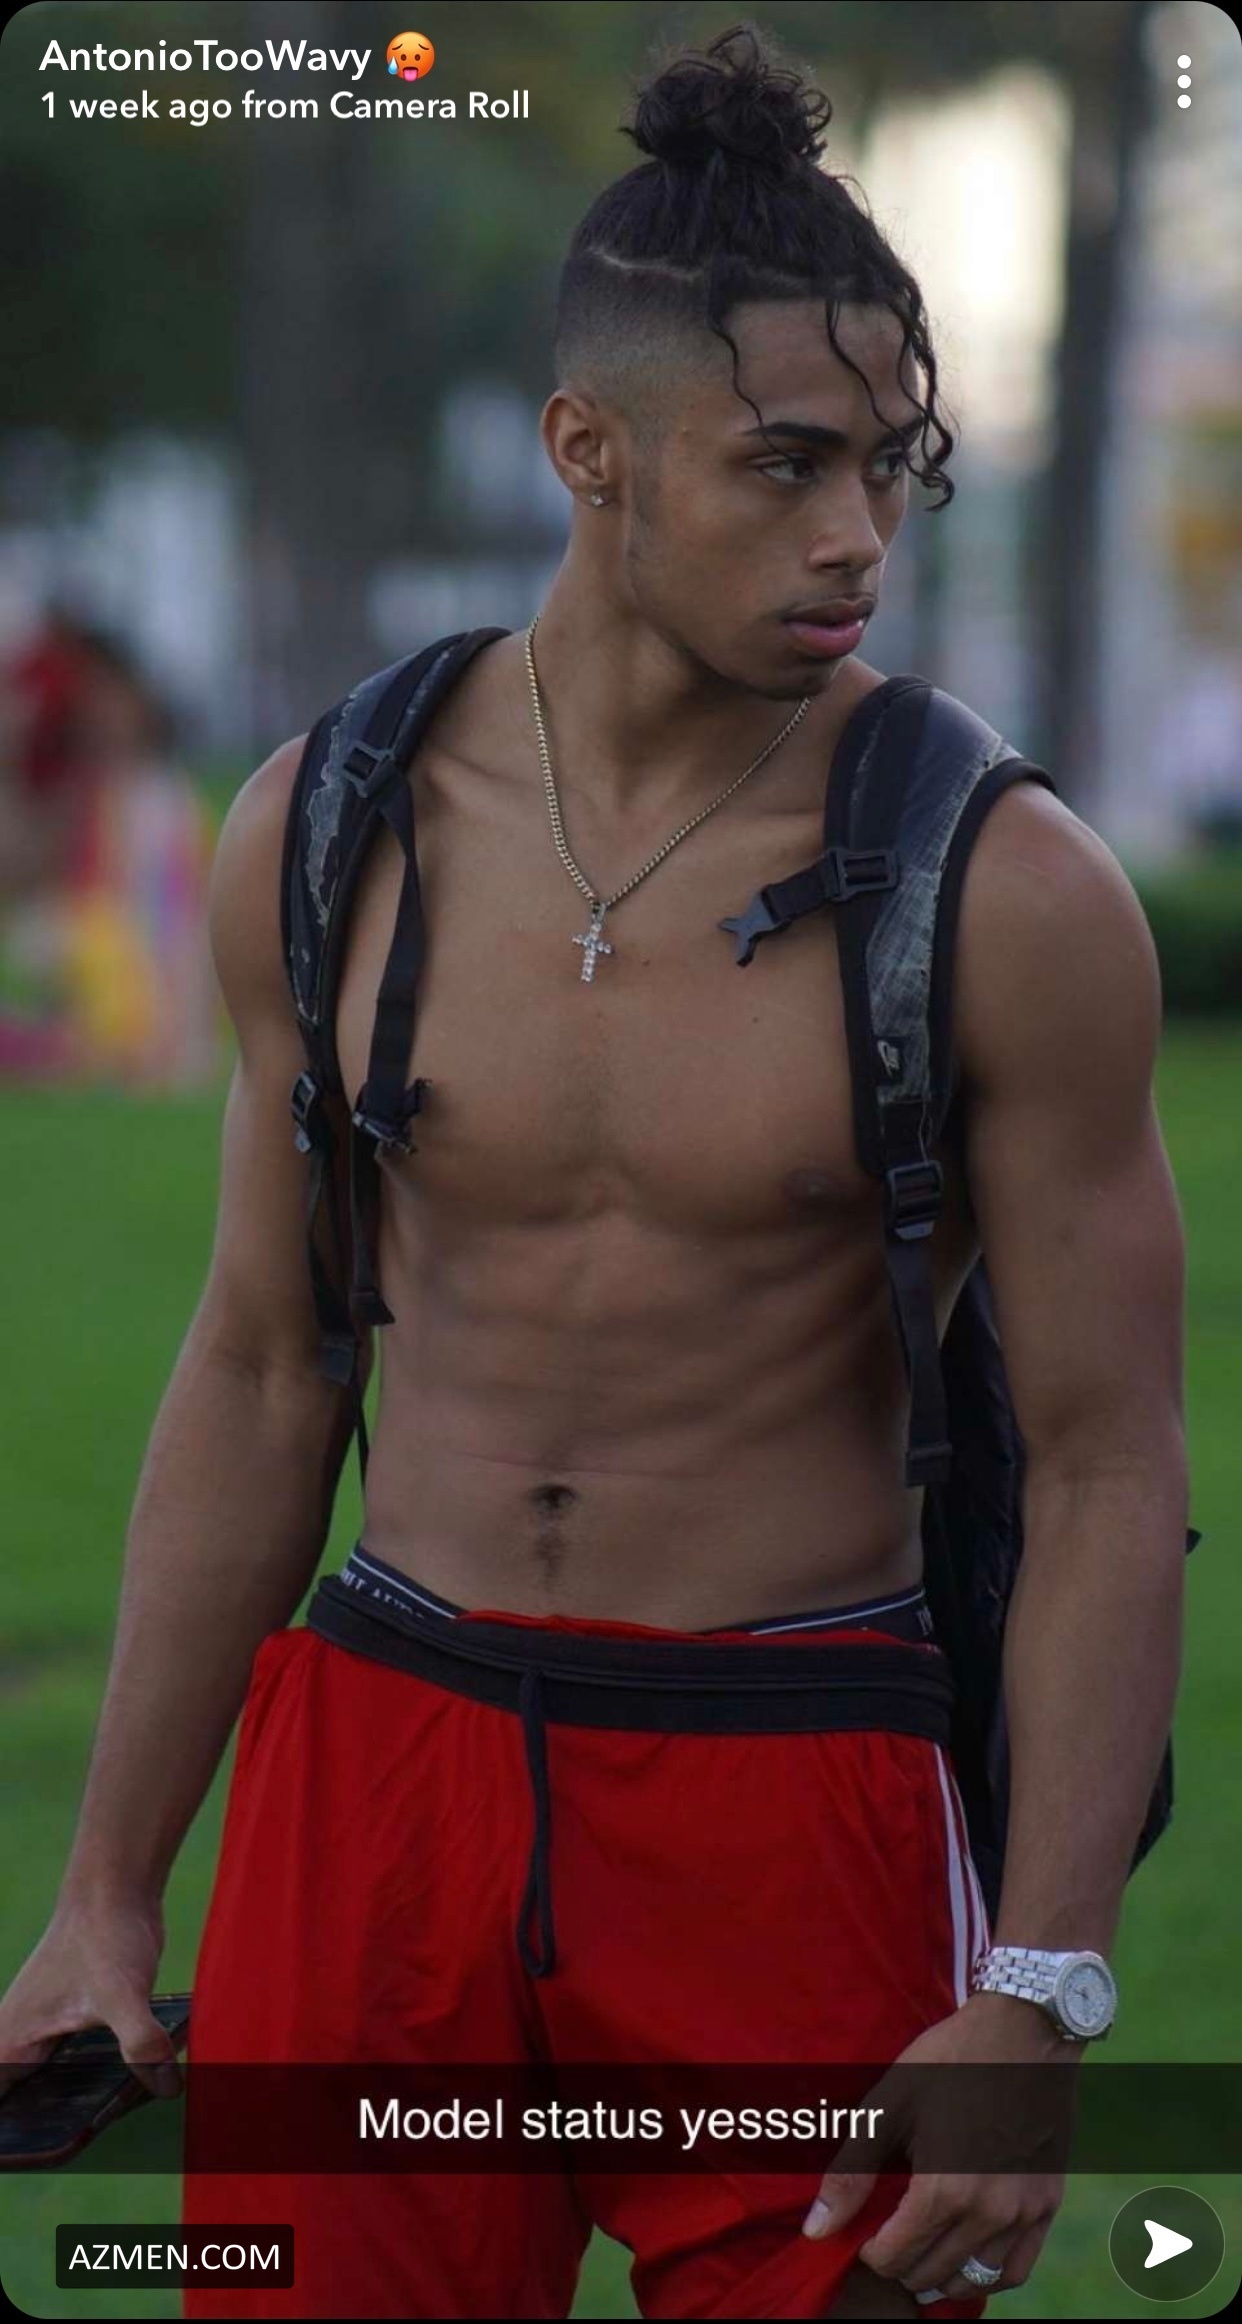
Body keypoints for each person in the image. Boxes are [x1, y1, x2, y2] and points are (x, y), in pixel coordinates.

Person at [0, 23, 1189, 2321]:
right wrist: (107, 1891)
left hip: (789, 1776)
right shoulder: (325, 825)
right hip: (386, 1753)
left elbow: (1109, 1460)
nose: (857, 537)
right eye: (785, 465)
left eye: (891, 469)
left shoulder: (1005, 889)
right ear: (590, 450)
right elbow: (262, 1366)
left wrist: (1038, 1989)